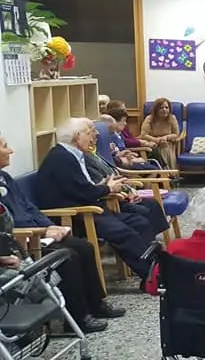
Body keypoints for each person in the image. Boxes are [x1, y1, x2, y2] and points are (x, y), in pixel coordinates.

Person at [0, 133, 125, 332]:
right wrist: (43, 230)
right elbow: (10, 225)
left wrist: (49, 225)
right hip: (23, 241)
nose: (11, 151)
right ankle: (77, 318)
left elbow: (29, 207)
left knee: (85, 247)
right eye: (6, 146)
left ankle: (96, 304)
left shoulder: (4, 177)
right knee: (69, 257)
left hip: (39, 231)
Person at [35, 118, 154, 279]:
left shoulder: (71, 154)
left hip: (86, 207)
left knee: (140, 222)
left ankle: (153, 268)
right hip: (74, 215)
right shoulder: (61, 158)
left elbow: (81, 187)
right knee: (124, 233)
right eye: (90, 133)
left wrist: (103, 186)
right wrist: (108, 188)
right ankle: (151, 276)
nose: (93, 138)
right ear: (78, 137)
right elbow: (82, 191)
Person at [139, 97, 181, 168]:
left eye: (166, 107)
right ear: (156, 110)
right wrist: (156, 140)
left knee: (165, 147)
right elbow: (143, 135)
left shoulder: (172, 118)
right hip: (152, 143)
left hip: (167, 143)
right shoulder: (149, 118)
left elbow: (176, 134)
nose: (164, 110)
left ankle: (168, 172)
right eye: (161, 108)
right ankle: (159, 172)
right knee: (158, 147)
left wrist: (166, 137)